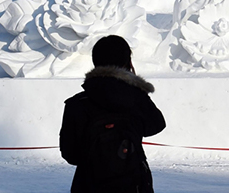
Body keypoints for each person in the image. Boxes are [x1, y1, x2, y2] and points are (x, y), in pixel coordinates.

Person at [60, 35, 166, 193]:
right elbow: (157, 125)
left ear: (95, 62)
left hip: (89, 185)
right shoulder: (136, 98)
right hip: (134, 185)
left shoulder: (77, 103)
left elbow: (71, 154)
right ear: (127, 63)